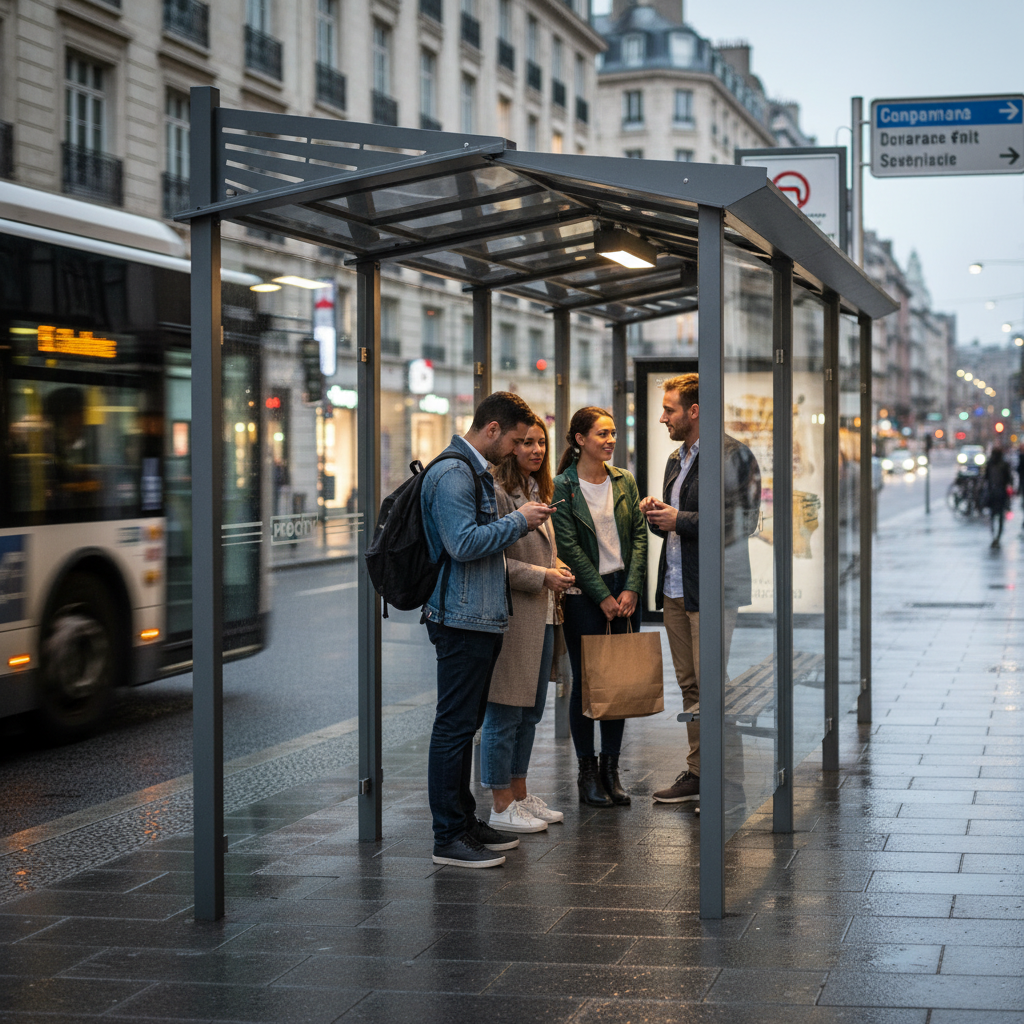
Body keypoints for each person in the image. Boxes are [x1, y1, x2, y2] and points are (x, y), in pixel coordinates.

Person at [420, 392, 555, 868]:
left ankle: (463, 821)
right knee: (454, 728)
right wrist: (519, 521)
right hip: (459, 618)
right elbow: (462, 543)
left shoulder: (472, 471)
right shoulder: (454, 472)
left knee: (465, 725)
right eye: (517, 439)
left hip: (477, 615)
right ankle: (447, 836)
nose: (519, 449)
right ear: (493, 429)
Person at [639, 373, 761, 806]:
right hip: (676, 586)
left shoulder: (735, 456)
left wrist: (680, 520)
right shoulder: (678, 458)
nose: (662, 417)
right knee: (691, 685)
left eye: (669, 409)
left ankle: (727, 782)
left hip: (712, 589)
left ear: (694, 411)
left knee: (713, 685)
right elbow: (681, 520)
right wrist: (659, 514)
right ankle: (699, 772)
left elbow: (744, 522)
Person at [481, 416, 575, 833]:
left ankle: (519, 794)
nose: (535, 450)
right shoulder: (500, 493)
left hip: (542, 616)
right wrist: (543, 575)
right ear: (510, 446)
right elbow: (490, 560)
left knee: (530, 712)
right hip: (514, 619)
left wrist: (555, 567)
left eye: (541, 443)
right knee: (504, 713)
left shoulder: (537, 489)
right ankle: (500, 805)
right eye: (526, 443)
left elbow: (535, 553)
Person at [552, 407, 647, 807]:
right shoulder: (563, 486)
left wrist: (632, 588)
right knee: (587, 682)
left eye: (612, 434)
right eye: (602, 434)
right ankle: (587, 771)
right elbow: (569, 546)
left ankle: (612, 769)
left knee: (619, 679)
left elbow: (639, 537)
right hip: (585, 595)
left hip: (623, 590)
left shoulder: (624, 481)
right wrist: (601, 595)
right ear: (579, 440)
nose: (610, 440)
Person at [984, 445, 1012, 548]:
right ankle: (998, 537)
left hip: (992, 493)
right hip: (1001, 493)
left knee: (992, 516)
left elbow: (986, 478)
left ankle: (994, 536)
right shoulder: (1004, 464)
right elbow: (1009, 479)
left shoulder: (990, 464)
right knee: (1000, 516)